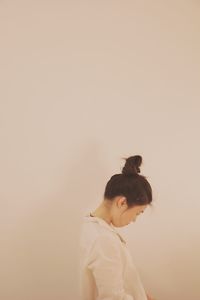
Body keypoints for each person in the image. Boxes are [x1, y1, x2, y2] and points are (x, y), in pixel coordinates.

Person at [79, 155, 156, 300]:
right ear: (122, 202)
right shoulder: (103, 239)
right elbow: (112, 297)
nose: (134, 220)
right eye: (137, 213)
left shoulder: (89, 228)